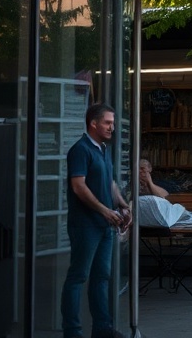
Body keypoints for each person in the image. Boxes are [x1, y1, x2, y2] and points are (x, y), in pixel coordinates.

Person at [62, 103, 131, 338]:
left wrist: (121, 204)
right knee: (78, 276)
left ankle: (102, 329)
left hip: (105, 225)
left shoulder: (103, 149)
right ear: (93, 123)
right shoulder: (80, 150)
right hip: (85, 225)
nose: (112, 127)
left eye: (112, 123)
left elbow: (109, 183)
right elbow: (78, 186)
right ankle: (72, 332)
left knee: (102, 277)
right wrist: (104, 210)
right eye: (108, 123)